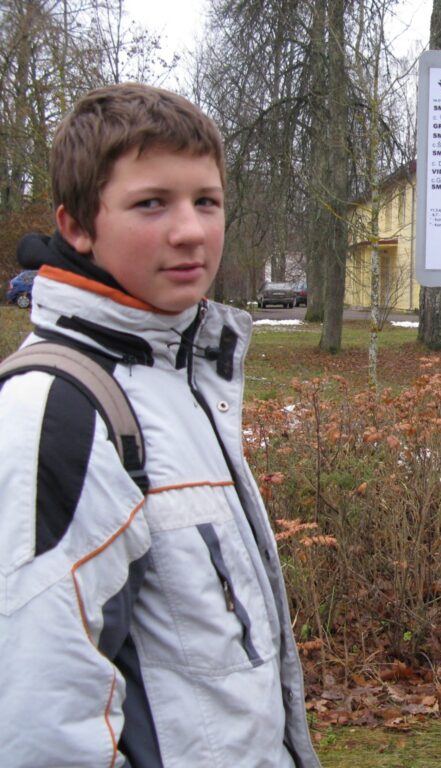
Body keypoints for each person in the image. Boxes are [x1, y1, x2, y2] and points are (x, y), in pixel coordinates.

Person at [0, 84, 319, 767]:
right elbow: (40, 726)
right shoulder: (57, 413)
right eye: (152, 203)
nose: (191, 231)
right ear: (77, 226)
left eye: (206, 201)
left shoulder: (177, 377)